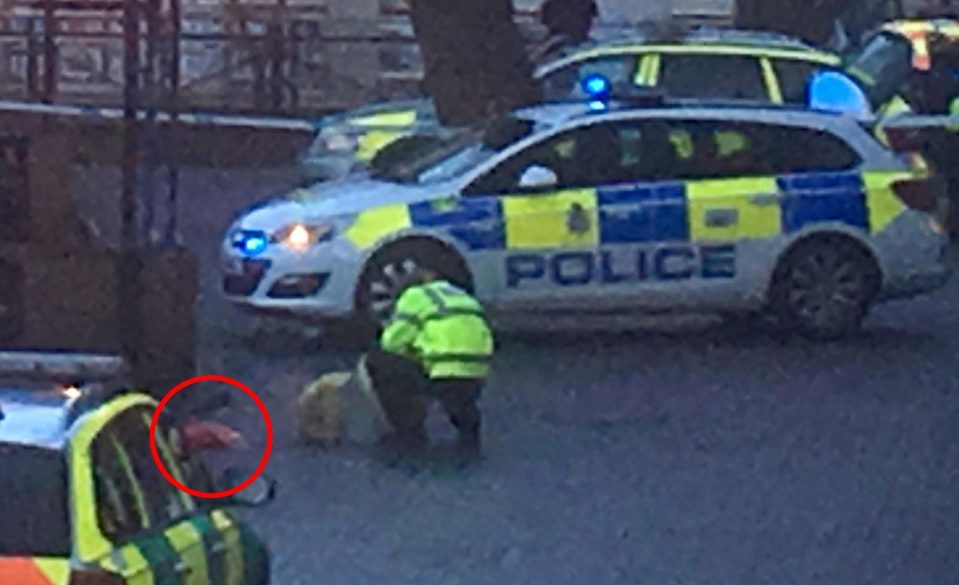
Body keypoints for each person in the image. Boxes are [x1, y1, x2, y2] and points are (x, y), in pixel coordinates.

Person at [364, 267, 494, 462]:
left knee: (379, 360)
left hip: (441, 372)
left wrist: (410, 349)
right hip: (477, 370)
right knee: (458, 392)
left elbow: (391, 342)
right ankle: (467, 426)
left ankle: (408, 429)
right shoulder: (460, 295)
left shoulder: (414, 296)